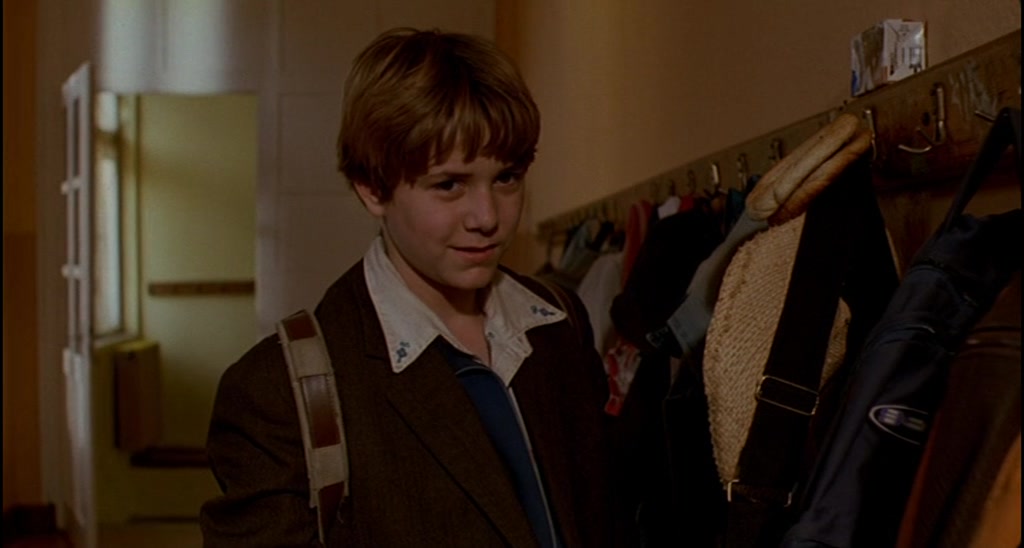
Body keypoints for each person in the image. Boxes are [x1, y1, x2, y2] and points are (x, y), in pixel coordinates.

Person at [200, 27, 631, 547]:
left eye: (507, 178)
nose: (487, 217)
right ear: (372, 188)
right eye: (449, 184)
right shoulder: (278, 390)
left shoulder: (559, 321)